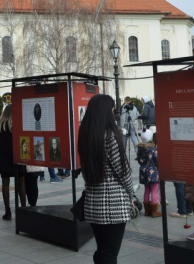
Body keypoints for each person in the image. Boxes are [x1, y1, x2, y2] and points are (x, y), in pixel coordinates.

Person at [78, 94, 134, 263]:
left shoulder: (85, 134)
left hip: (93, 201)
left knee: (102, 250)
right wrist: (131, 194)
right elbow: (123, 171)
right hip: (114, 205)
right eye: (111, 109)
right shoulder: (110, 136)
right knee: (110, 254)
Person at [0, 105, 26, 220]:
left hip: (4, 156)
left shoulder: (0, 124)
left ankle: (8, 211)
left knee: (5, 184)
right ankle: (23, 209)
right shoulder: (16, 124)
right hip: (17, 156)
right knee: (21, 184)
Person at [137, 129, 161, 218]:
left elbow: (139, 159)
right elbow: (156, 159)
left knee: (147, 189)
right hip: (152, 171)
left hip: (143, 170)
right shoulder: (153, 148)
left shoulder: (140, 148)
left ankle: (147, 210)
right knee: (154, 189)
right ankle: (154, 211)